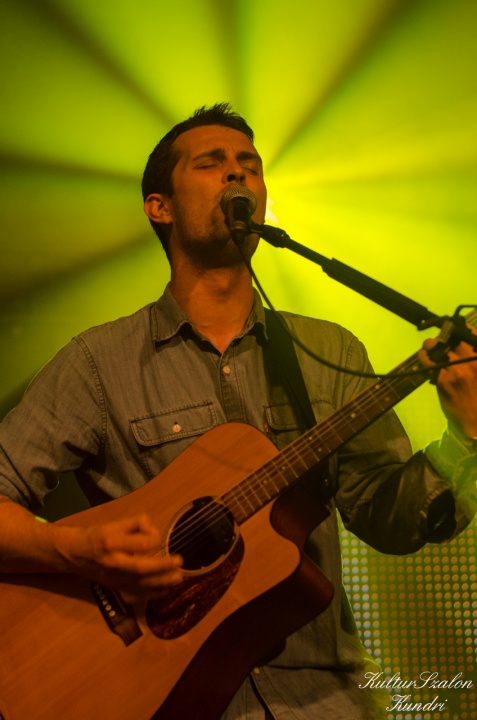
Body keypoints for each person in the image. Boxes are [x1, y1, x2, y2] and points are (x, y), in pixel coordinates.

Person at [0, 103, 476, 720]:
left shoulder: (329, 350)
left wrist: (465, 439)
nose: (237, 173)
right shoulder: (97, 362)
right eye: (211, 163)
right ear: (159, 206)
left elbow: (390, 520)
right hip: (160, 696)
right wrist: (78, 548)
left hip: (322, 699)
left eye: (250, 164)